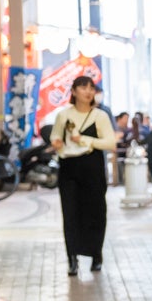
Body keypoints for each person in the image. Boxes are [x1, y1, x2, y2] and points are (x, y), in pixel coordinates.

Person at [48, 75, 117, 275]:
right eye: (83, 87)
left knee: (95, 211)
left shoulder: (100, 116)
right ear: (74, 91)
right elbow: (55, 135)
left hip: (92, 167)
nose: (88, 91)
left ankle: (96, 254)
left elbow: (110, 143)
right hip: (69, 167)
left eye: (91, 88)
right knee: (70, 213)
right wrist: (56, 142)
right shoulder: (64, 115)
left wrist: (85, 139)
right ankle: (72, 258)